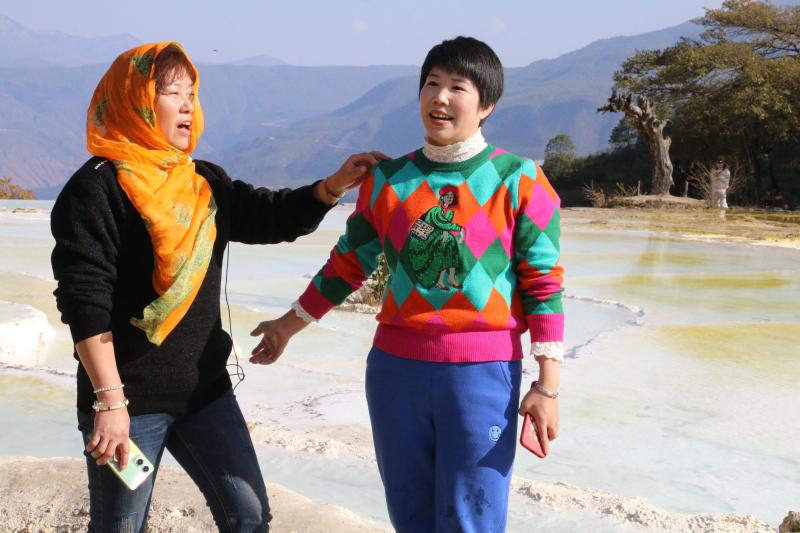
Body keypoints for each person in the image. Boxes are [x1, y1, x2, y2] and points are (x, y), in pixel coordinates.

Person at [50, 42, 384, 532]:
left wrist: (332, 187)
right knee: (121, 525)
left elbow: (269, 215)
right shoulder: (94, 190)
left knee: (248, 514)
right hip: (129, 404)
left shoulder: (203, 182)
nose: (187, 106)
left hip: (204, 392)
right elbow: (85, 303)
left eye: (191, 94)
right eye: (171, 93)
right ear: (135, 100)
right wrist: (110, 402)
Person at [250, 36, 565, 532]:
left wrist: (547, 386)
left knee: (473, 517)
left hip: (482, 374)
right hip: (395, 372)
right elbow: (347, 265)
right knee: (410, 515)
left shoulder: (519, 179)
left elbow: (543, 283)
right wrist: (287, 326)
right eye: (431, 84)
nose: (440, 97)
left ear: (486, 105)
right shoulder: (387, 181)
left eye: (457, 87)